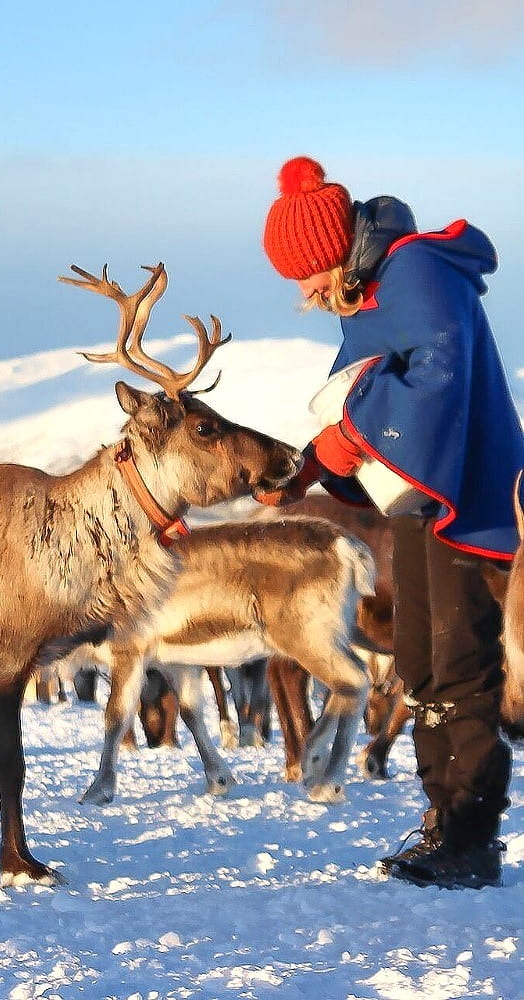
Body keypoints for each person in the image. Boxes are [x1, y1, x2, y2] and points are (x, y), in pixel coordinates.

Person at [256, 155, 523, 890]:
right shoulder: (366, 289)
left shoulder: (416, 273)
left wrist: (353, 432)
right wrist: (314, 465)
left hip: (465, 493)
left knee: (461, 659)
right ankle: (441, 821)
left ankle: (471, 839)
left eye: (306, 274)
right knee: (417, 657)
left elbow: (438, 372)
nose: (305, 292)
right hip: (417, 492)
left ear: (329, 250)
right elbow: (356, 394)